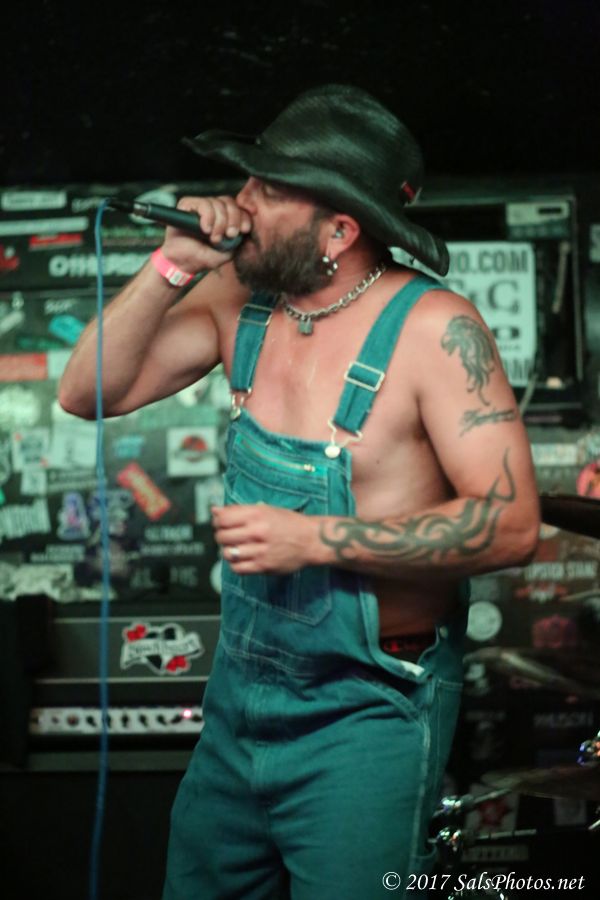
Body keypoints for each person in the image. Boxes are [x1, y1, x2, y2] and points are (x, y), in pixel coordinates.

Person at [59, 84, 540, 899]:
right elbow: (84, 393)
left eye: (268, 189)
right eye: (247, 178)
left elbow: (513, 524)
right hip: (238, 703)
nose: (239, 202)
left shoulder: (434, 329)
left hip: (366, 713)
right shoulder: (235, 304)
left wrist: (314, 539)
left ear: (339, 231)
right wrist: (173, 266)